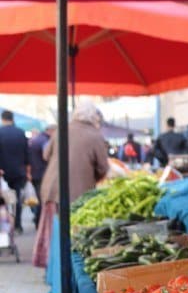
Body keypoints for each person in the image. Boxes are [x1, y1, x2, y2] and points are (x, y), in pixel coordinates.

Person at [33, 101, 110, 267]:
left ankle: (51, 265)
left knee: (52, 230)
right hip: (78, 191)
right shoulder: (95, 135)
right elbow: (103, 167)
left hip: (52, 187)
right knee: (72, 230)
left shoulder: (61, 129)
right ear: (94, 117)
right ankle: (66, 266)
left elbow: (46, 155)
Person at [0, 110, 31, 233]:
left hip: (3, 172)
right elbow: (27, 154)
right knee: (16, 199)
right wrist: (28, 171)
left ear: (3, 119)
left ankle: (5, 225)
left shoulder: (0, 133)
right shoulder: (20, 133)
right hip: (19, 171)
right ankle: (17, 224)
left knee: (3, 200)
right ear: (13, 119)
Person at [28, 124, 56, 229]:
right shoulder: (45, 141)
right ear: (51, 130)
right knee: (42, 199)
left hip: (35, 173)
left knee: (38, 198)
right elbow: (46, 155)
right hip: (42, 173)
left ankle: (37, 219)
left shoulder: (36, 140)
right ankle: (39, 221)